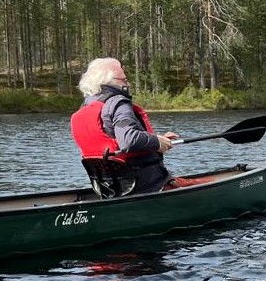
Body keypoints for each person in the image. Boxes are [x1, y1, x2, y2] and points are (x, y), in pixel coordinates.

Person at [71, 57, 203, 195]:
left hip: (111, 189)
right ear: (108, 82)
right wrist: (156, 141)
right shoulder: (118, 103)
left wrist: (157, 141)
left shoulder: (85, 108)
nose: (128, 84)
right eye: (124, 80)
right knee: (205, 183)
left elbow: (116, 143)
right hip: (148, 186)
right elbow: (129, 140)